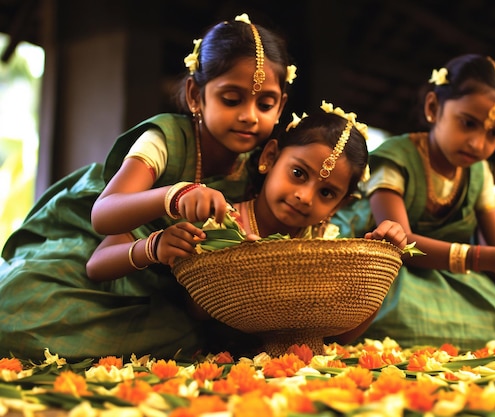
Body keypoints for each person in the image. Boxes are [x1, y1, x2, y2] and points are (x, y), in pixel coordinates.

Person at [0, 13, 295, 361]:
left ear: (281, 107)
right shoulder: (166, 139)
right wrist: (176, 196)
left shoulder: (258, 169)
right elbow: (104, 216)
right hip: (88, 254)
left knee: (187, 338)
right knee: (12, 317)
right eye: (232, 99)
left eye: (265, 104)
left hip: (159, 290)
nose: (250, 116)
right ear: (195, 95)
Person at [87, 101, 408, 349]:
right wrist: (168, 248)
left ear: (339, 205)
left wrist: (383, 267)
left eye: (326, 193)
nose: (304, 196)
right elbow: (200, 313)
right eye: (298, 173)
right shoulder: (221, 221)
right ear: (269, 156)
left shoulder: (327, 243)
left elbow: (343, 335)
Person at [332, 53, 495, 351]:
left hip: (446, 278)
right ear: (433, 107)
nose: (478, 143)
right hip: (383, 274)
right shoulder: (395, 158)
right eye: (468, 123)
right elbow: (403, 244)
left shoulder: (478, 172)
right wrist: (486, 259)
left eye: (494, 133)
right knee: (400, 321)